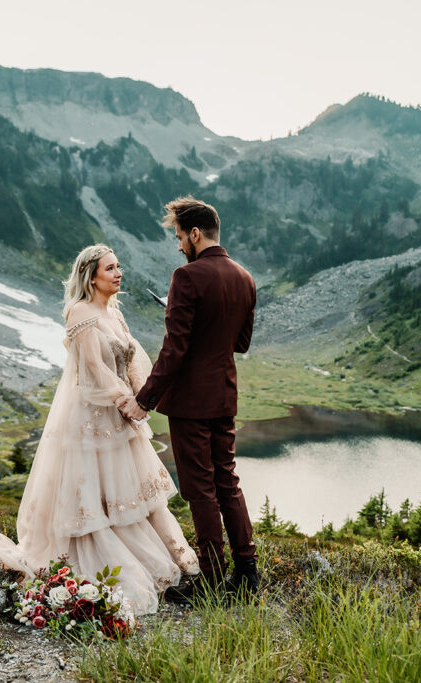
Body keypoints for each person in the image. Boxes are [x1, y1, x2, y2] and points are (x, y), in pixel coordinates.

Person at [0, 244, 198, 616]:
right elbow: (94, 368)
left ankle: (178, 564)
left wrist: (144, 396)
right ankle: (115, 566)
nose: (118, 273)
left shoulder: (113, 311)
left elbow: (131, 356)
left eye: (119, 267)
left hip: (121, 415)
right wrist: (123, 401)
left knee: (132, 496)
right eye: (110, 268)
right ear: (91, 275)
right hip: (94, 419)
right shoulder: (80, 313)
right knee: (97, 496)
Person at [117, 196, 258, 602]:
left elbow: (174, 350)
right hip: (224, 395)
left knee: (200, 490)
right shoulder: (245, 277)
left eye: (180, 237)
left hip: (191, 404)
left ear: (195, 234)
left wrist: (144, 400)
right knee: (227, 483)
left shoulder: (187, 278)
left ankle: (212, 581)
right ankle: (247, 575)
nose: (179, 245)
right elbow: (242, 343)